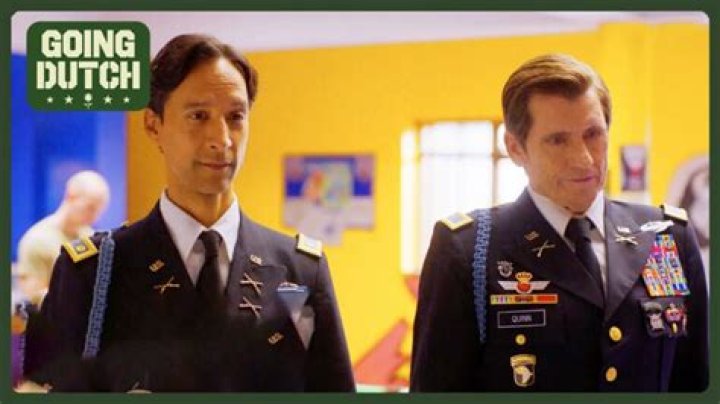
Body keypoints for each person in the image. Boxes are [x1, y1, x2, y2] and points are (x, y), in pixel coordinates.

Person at [23, 34, 354, 392]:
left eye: (235, 117)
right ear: (154, 125)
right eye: (199, 116)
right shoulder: (94, 273)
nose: (221, 139)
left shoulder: (300, 270)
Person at [410, 54, 708, 392]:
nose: (583, 158)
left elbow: (695, 380)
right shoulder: (468, 251)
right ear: (515, 148)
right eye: (557, 140)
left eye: (593, 134)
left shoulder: (666, 237)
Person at [15, 170, 110, 306]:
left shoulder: (90, 237)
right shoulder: (37, 240)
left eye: (99, 211)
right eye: (90, 208)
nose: (95, 217)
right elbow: (33, 297)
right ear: (70, 196)